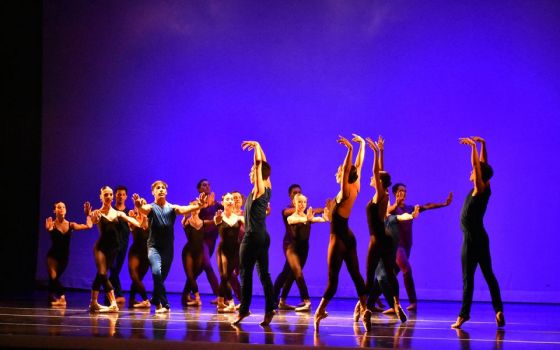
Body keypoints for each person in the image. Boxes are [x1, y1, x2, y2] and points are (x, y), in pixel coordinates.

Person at [313, 134, 371, 332]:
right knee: (356, 275)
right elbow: (358, 166)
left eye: (340, 170)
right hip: (349, 236)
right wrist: (362, 144)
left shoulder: (345, 191)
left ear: (345, 176)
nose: (338, 171)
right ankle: (364, 310)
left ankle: (319, 311)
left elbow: (350, 167)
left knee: (333, 280)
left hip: (338, 239)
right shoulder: (356, 186)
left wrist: (350, 150)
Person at [452, 136, 504, 329]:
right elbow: (483, 165)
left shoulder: (479, 188)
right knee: (489, 274)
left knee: (468, 279)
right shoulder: (487, 187)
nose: (472, 171)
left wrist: (473, 147)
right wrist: (483, 144)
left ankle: (463, 315)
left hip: (471, 240)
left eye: (474, 171)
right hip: (482, 238)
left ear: (479, 176)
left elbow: (477, 164)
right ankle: (498, 310)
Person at [132, 180, 206, 314]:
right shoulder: (150, 208)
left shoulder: (172, 208)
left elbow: (185, 209)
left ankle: (156, 299)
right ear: (153, 192)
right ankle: (164, 304)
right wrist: (138, 206)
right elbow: (143, 209)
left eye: (162, 188)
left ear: (166, 192)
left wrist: (198, 205)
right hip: (153, 247)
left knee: (161, 277)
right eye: (157, 188)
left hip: (168, 249)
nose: (160, 190)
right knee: (156, 272)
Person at [380, 183, 453, 311]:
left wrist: (444, 204)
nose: (404, 193)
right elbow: (388, 212)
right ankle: (413, 302)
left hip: (407, 247)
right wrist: (396, 203)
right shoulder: (392, 209)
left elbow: (427, 206)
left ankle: (375, 298)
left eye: (405, 191)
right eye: (401, 191)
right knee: (406, 270)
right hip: (397, 247)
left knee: (388, 275)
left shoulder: (410, 209)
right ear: (395, 193)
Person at [361, 135, 407, 323]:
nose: (372, 178)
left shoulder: (382, 193)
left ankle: (364, 311)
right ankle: (396, 304)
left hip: (378, 238)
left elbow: (377, 171)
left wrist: (374, 152)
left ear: (380, 181)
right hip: (386, 237)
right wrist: (381, 151)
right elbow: (381, 173)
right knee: (388, 272)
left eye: (374, 178)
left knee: (370, 275)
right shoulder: (385, 193)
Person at [231, 141, 275, 327]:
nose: (250, 173)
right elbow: (263, 165)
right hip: (263, 236)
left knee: (245, 273)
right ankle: (269, 310)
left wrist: (257, 147)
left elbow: (258, 165)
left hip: (252, 236)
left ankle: (244, 310)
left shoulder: (258, 190)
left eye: (252, 172)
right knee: (264, 274)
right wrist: (259, 147)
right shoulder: (268, 187)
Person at [88, 186, 141, 313]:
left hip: (113, 249)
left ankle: (94, 303)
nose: (108, 197)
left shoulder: (118, 213)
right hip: (100, 248)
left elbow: (137, 223)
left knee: (99, 275)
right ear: (101, 196)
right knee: (102, 273)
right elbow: (93, 220)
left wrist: (140, 214)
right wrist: (89, 215)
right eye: (106, 195)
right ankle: (113, 303)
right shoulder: (98, 213)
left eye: (110, 194)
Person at [273, 193, 329, 313]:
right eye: (299, 202)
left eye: (304, 202)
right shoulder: (291, 217)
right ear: (294, 203)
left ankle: (282, 301)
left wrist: (326, 215)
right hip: (292, 250)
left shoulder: (307, 217)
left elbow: (322, 219)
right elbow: (298, 219)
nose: (302, 204)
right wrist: (308, 219)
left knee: (292, 275)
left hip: (304, 250)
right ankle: (307, 301)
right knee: (298, 274)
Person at [45, 201, 93, 306]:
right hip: (52, 256)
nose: (61, 209)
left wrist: (88, 215)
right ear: (54, 210)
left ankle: (51, 296)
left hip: (64, 257)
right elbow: (49, 229)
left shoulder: (71, 225)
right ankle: (62, 297)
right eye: (58, 207)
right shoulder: (52, 224)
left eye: (63, 207)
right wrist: (49, 229)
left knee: (54, 278)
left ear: (66, 210)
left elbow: (88, 226)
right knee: (53, 276)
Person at [214, 192, 244, 312]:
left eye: (232, 199)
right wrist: (218, 219)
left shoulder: (239, 218)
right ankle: (231, 303)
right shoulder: (219, 217)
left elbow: (250, 223)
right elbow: (217, 221)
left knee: (225, 277)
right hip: (224, 250)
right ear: (223, 202)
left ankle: (221, 302)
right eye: (228, 199)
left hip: (235, 251)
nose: (231, 201)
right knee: (225, 276)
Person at [196, 179, 222, 303]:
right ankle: (219, 295)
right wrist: (204, 205)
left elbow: (229, 210)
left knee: (200, 268)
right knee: (207, 265)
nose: (206, 187)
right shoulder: (196, 204)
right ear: (199, 189)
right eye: (203, 185)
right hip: (201, 240)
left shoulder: (216, 204)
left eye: (208, 185)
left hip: (212, 240)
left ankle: (186, 293)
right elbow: (194, 216)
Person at [108, 185, 131, 305]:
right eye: (118, 194)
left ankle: (110, 296)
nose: (120, 196)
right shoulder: (111, 211)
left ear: (126, 196)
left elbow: (132, 227)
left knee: (115, 271)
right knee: (112, 269)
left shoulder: (128, 212)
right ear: (115, 196)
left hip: (123, 245)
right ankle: (119, 295)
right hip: (111, 245)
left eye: (123, 194)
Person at [181, 200, 206, 307]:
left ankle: (185, 295)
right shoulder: (186, 221)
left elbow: (215, 222)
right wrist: (186, 215)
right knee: (190, 275)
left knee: (194, 275)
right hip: (188, 252)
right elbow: (183, 220)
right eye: (193, 207)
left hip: (199, 251)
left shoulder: (203, 222)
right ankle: (197, 297)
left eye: (197, 206)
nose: (195, 208)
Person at [127, 199, 151, 308]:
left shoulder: (150, 220)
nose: (141, 206)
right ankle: (146, 299)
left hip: (146, 253)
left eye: (143, 205)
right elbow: (132, 226)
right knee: (133, 275)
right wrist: (131, 217)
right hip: (135, 251)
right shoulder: (133, 219)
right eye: (138, 205)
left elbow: (146, 226)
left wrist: (145, 216)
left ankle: (132, 300)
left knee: (138, 278)